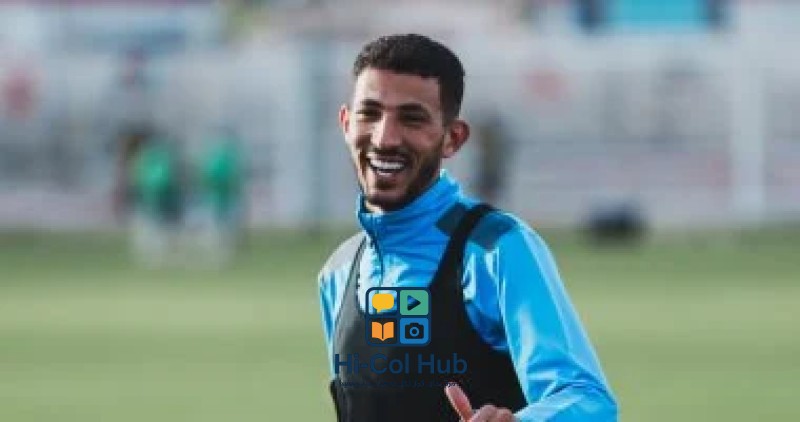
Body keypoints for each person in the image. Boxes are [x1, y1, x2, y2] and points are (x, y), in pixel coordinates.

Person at [317, 34, 617, 422]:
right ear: (345, 123)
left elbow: (589, 401)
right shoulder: (338, 272)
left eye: (412, 118)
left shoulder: (497, 249)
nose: (385, 138)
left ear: (452, 138)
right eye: (369, 114)